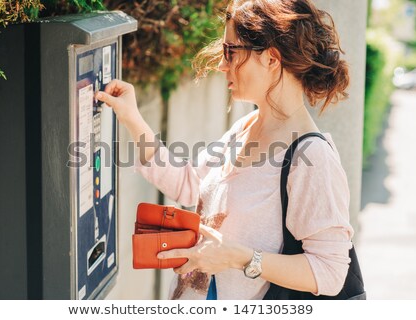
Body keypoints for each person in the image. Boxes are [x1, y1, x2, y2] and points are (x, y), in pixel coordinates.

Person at [96, 0, 354, 300]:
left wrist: (239, 257)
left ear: (271, 59)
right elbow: (190, 183)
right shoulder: (246, 127)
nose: (221, 64)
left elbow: (330, 272)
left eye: (230, 52)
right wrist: (131, 117)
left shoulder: (312, 158)